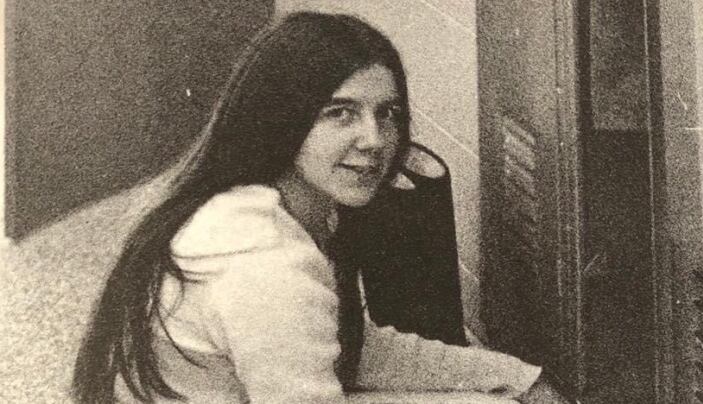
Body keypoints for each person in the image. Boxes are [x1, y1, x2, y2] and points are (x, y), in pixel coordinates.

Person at [72, 11, 549, 403]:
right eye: (340, 113)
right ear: (284, 119)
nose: (375, 140)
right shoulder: (268, 266)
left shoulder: (252, 206)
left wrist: (516, 376)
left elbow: (349, 349)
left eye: (388, 113)